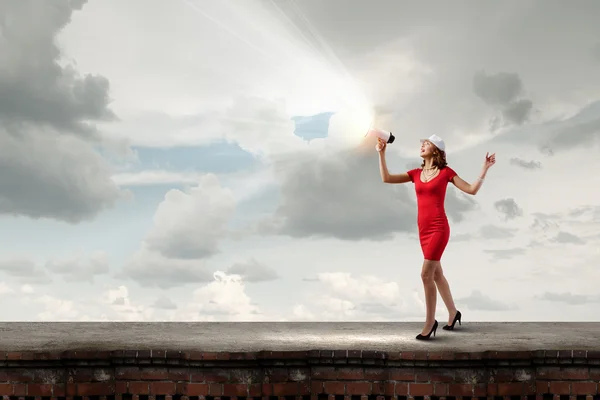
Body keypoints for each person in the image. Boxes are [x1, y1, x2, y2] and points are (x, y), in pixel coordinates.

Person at [376, 134, 496, 340]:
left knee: (425, 275)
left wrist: (484, 169)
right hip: (422, 230)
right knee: (437, 275)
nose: (422, 144)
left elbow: (472, 190)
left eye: (427, 143)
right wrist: (382, 153)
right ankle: (453, 312)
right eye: (422, 142)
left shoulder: (446, 173)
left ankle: (430, 322)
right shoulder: (415, 173)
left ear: (437, 150)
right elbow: (386, 178)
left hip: (439, 229)